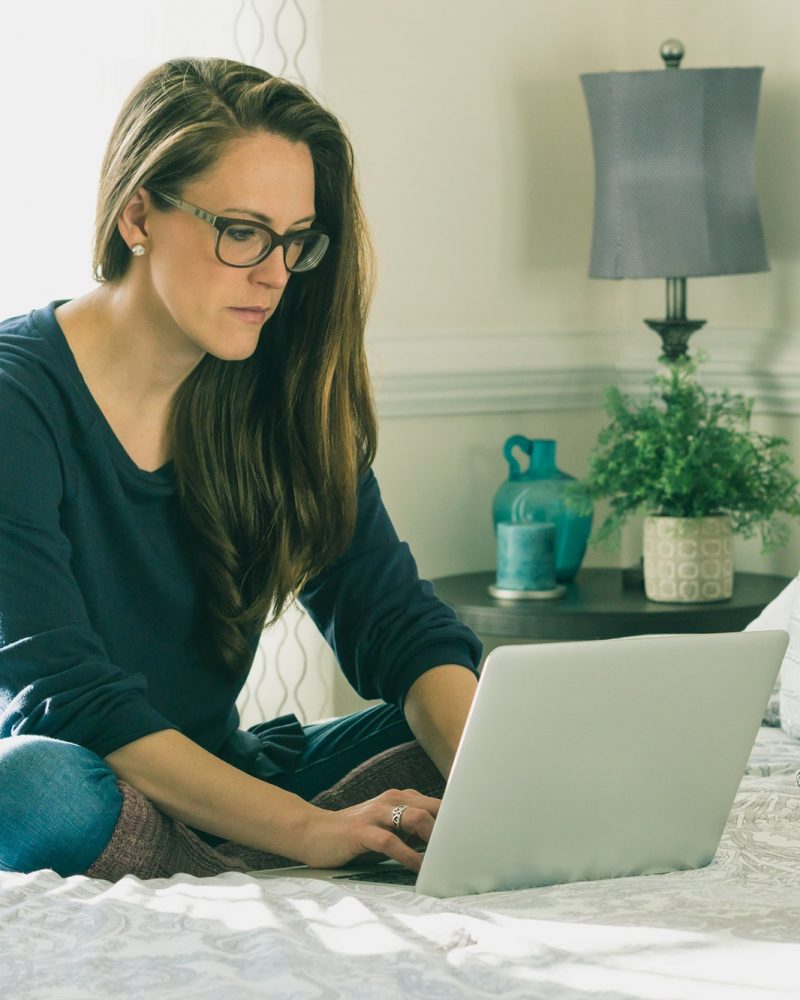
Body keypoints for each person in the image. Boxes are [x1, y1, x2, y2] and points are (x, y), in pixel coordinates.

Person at [0, 57, 481, 879]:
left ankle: (213, 845)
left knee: (479, 718)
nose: (274, 272)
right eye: (244, 231)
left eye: (295, 240)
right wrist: (304, 831)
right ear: (137, 213)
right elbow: (67, 697)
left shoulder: (278, 392)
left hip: (234, 772)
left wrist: (496, 777)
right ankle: (247, 844)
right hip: (90, 776)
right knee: (33, 786)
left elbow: (395, 619)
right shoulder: (18, 397)